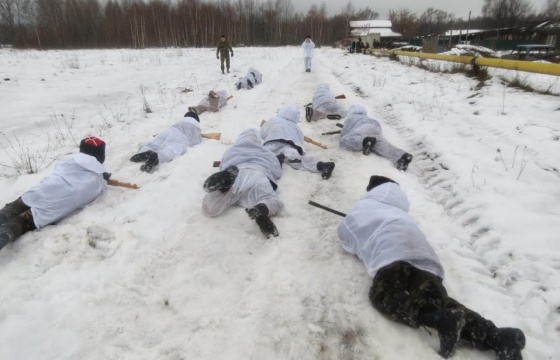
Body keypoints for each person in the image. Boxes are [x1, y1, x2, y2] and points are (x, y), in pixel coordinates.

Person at [337, 176, 526, 360]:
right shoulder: (400, 212)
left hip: (392, 254)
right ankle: (498, 337)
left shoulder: (362, 207)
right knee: (437, 299)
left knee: (384, 294)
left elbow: (345, 235)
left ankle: (437, 319)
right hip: (424, 256)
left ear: (371, 191)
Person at [0, 136, 109, 250]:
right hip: (48, 210)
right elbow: (95, 197)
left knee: (9, 211)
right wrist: (101, 176)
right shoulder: (97, 183)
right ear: (101, 156)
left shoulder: (67, 163)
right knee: (15, 226)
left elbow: (56, 172)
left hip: (37, 194)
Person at [202, 129, 283, 238]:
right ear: (258, 140)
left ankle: (223, 187)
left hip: (238, 173)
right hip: (259, 174)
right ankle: (263, 208)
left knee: (209, 209)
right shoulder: (265, 151)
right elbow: (276, 172)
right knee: (272, 200)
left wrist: (226, 172)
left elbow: (224, 164)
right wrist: (279, 160)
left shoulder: (232, 149)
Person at [260, 104, 335, 179]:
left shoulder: (273, 120)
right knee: (297, 160)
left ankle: (277, 159)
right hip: (291, 145)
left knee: (266, 154)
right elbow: (299, 140)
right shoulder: (296, 127)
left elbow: (262, 134)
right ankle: (321, 165)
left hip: (273, 141)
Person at [340, 104, 413, 171]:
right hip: (375, 125)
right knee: (379, 144)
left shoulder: (351, 118)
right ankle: (401, 156)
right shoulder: (365, 116)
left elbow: (344, 134)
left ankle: (365, 141)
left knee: (344, 141)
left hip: (362, 127)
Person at [130, 111, 201, 173]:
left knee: (153, 143)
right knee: (169, 151)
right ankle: (158, 157)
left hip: (169, 131)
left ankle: (146, 151)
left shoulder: (180, 122)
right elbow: (196, 141)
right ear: (197, 120)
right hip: (181, 139)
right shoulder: (196, 128)